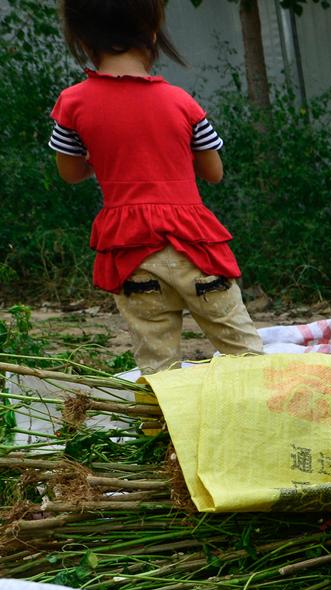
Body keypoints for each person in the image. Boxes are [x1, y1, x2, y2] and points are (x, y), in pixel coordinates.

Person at [48, 0, 262, 375]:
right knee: (243, 350)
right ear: (151, 34)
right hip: (195, 247)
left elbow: (70, 172)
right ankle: (267, 415)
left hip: (131, 252)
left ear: (81, 39)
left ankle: (161, 430)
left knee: (157, 362)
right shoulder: (182, 102)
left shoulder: (73, 104)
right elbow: (213, 172)